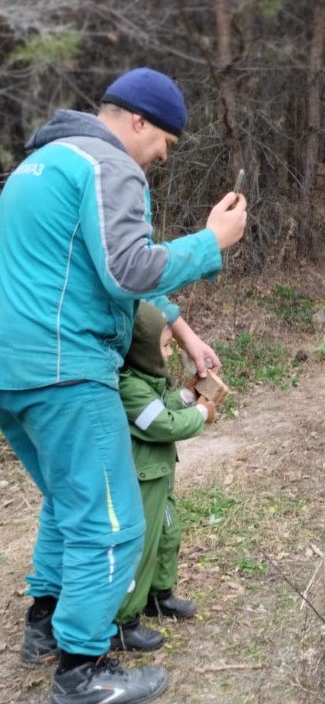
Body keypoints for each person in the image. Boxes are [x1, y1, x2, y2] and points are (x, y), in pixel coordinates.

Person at [0, 67, 247, 704]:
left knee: (67, 500)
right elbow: (127, 268)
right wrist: (210, 242)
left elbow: (89, 262)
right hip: (67, 372)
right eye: (165, 139)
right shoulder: (110, 165)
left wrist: (186, 334)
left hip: (14, 373)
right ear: (137, 120)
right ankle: (82, 671)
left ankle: (43, 628)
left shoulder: (42, 165)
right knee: (112, 525)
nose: (164, 154)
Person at [110, 302, 219, 652]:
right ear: (142, 350)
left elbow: (164, 405)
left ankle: (160, 593)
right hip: (143, 482)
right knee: (140, 549)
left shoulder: (146, 383)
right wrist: (201, 413)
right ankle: (125, 620)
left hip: (161, 477)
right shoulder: (130, 389)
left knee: (168, 534)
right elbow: (162, 424)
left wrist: (187, 394)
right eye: (166, 346)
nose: (171, 353)